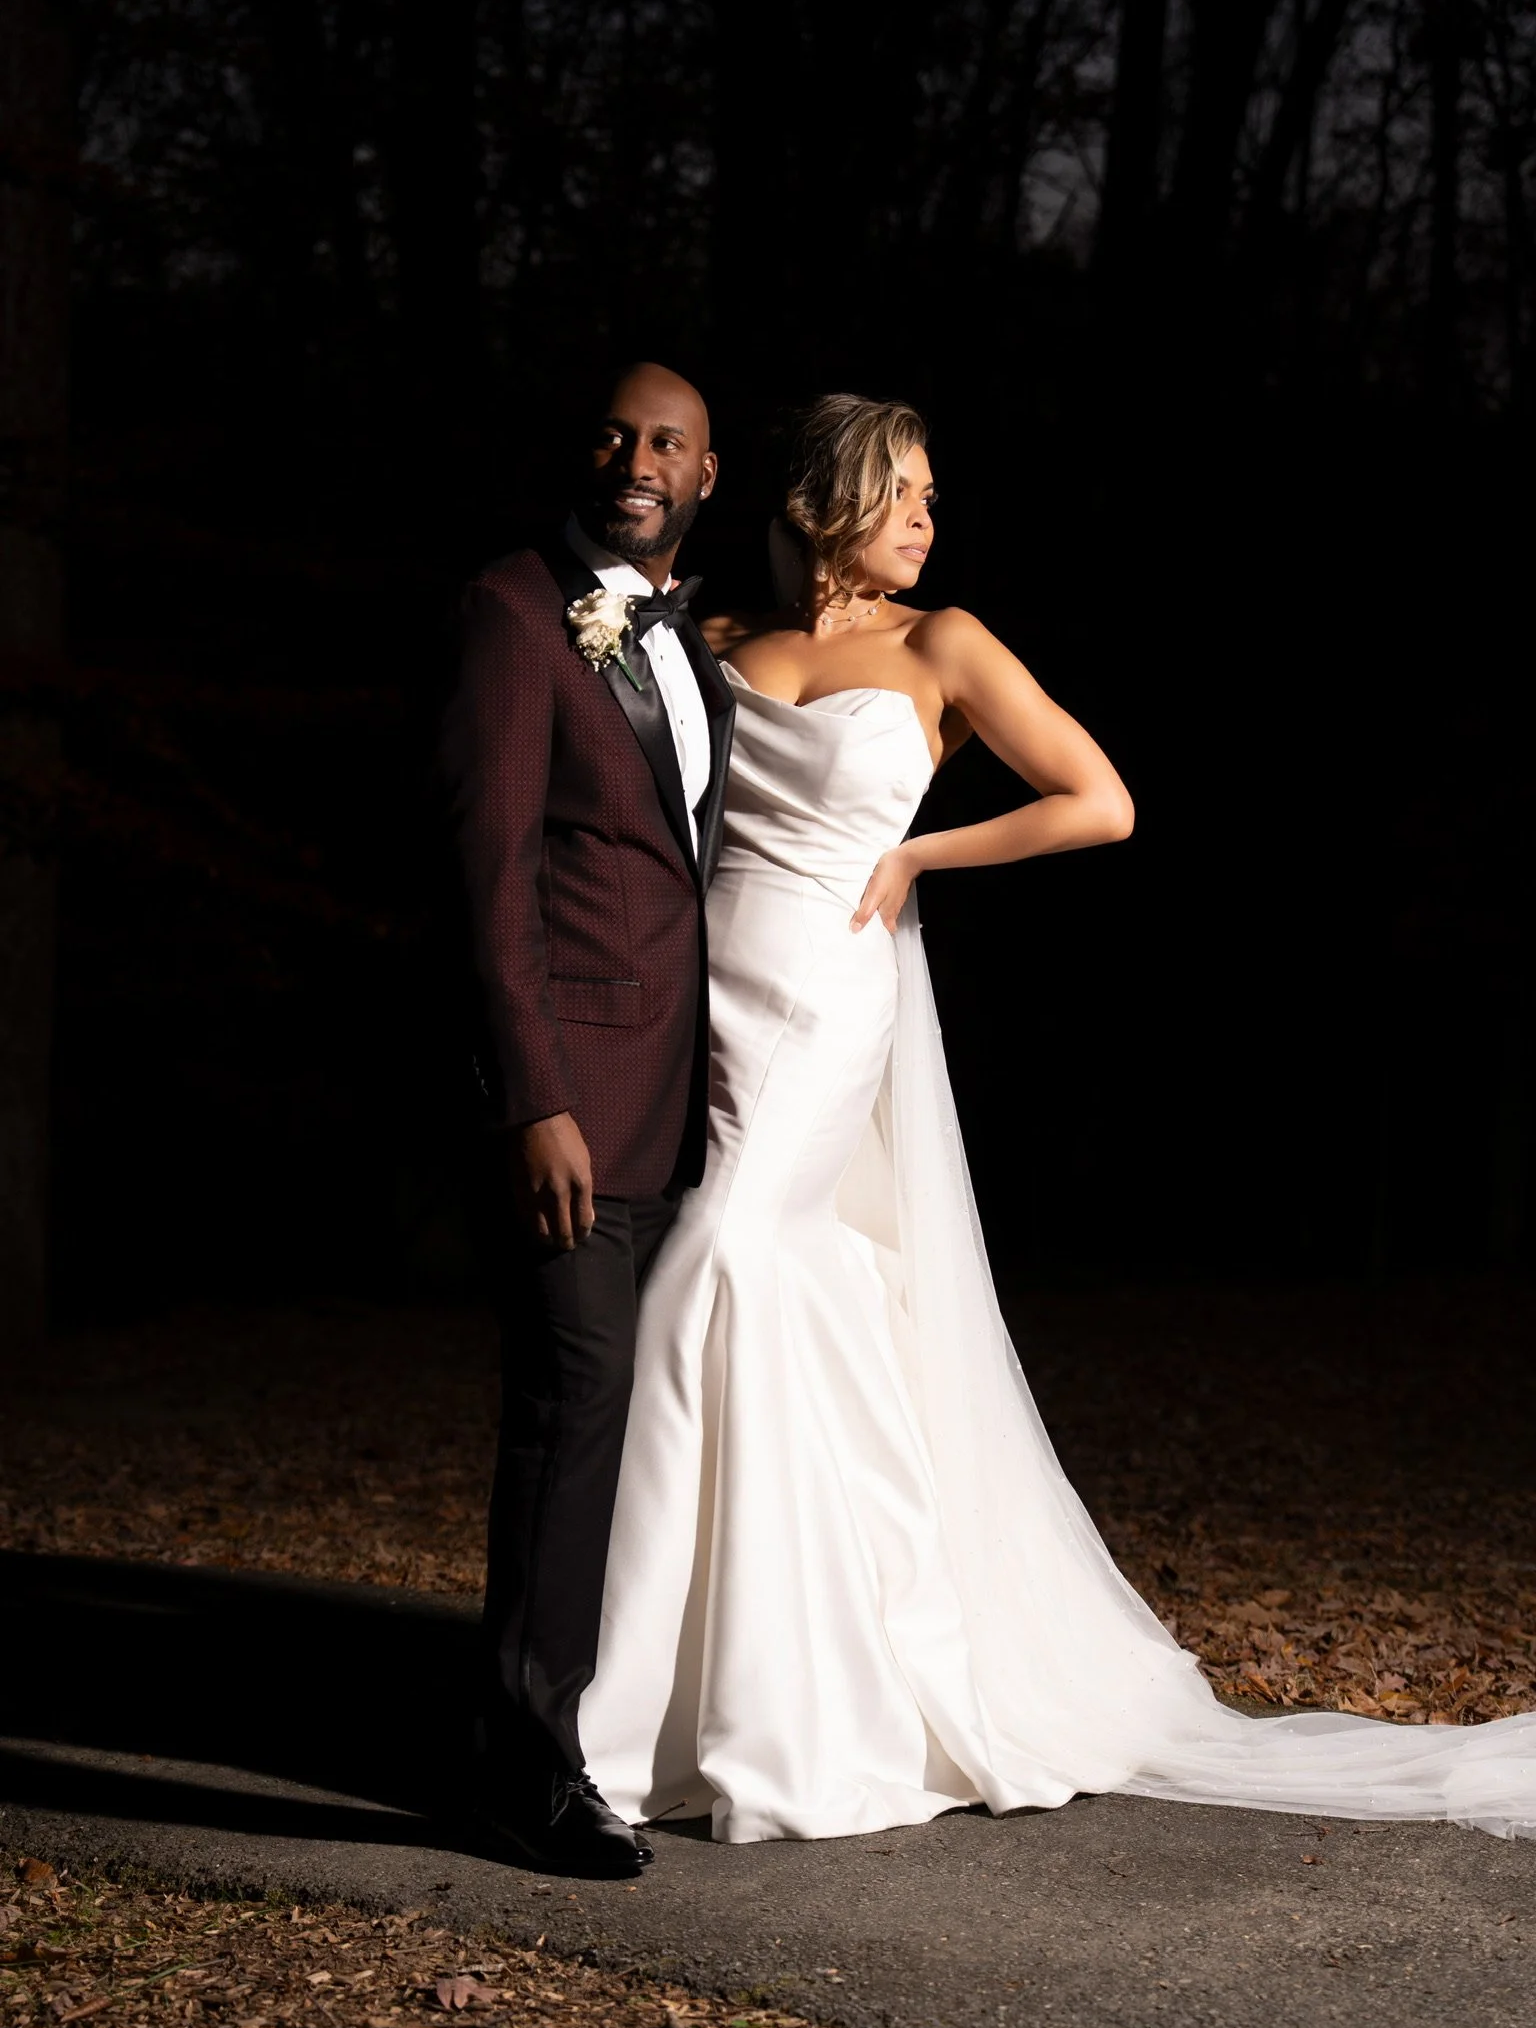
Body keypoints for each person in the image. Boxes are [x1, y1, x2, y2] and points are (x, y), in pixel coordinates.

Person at [579, 391, 1536, 1846]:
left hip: (830, 993)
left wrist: (921, 857)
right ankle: (768, 1673)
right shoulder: (713, 638)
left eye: (932, 496)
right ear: (833, 498)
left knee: (717, 1261)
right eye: (907, 491)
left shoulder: (942, 645)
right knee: (781, 1291)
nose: (928, 518)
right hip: (710, 993)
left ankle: (655, 1713)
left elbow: (1102, 801)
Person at [444, 362, 735, 1875]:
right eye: (618, 434)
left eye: (667, 442)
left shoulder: (699, 642)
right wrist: (534, 1096)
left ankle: (586, 1729)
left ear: (704, 474)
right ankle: (523, 1769)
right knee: (572, 1408)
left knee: (630, 1420)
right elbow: (489, 873)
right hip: (568, 1109)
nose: (638, 459)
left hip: (684, 1103)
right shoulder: (513, 610)